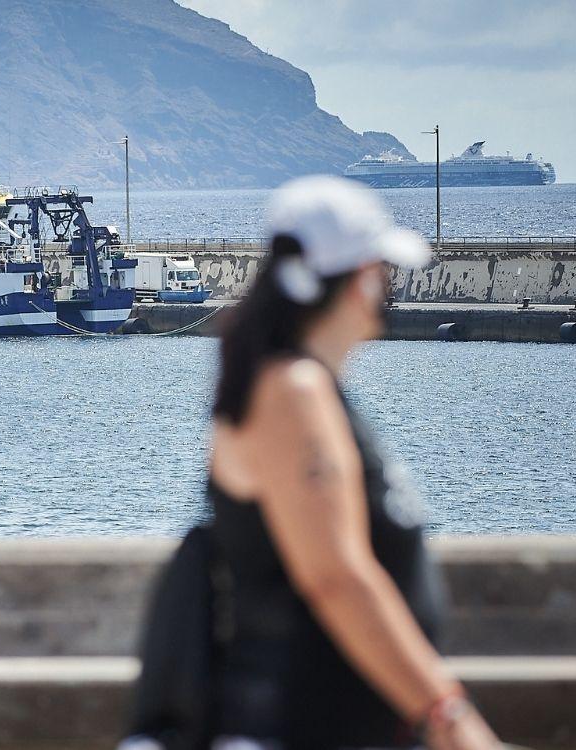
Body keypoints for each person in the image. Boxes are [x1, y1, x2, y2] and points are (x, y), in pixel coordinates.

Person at [124, 177, 502, 750]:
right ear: (358, 281)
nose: (389, 287)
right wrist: (448, 714)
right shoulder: (291, 393)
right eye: (383, 270)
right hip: (292, 727)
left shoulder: (298, 384)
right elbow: (334, 577)